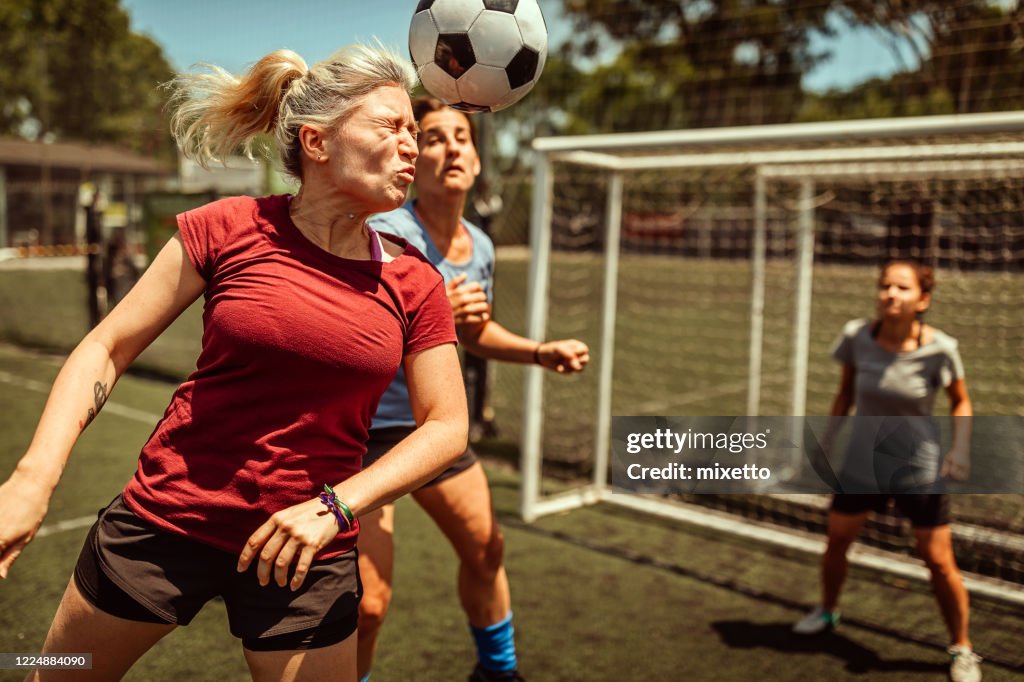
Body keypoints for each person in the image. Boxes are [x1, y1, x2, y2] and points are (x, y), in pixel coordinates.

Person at [0, 45, 468, 682]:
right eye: (391, 126)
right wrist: (32, 481)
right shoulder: (228, 227)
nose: (412, 145)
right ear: (318, 142)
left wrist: (336, 506)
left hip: (308, 553)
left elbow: (447, 427)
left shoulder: (416, 282)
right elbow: (106, 347)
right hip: (164, 522)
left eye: (414, 131)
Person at [358, 96, 590, 682]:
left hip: (435, 427)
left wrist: (539, 351)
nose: (451, 146)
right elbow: (354, 329)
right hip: (362, 432)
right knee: (366, 604)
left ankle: (497, 673)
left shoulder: (480, 247)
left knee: (487, 552)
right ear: (414, 158)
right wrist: (431, 308)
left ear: (478, 160)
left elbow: (476, 332)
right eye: (434, 137)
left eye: (461, 136)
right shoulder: (385, 231)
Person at [792, 260, 980, 682]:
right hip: (861, 464)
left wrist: (961, 449)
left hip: (918, 468)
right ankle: (827, 611)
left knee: (937, 560)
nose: (890, 294)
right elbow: (844, 394)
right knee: (837, 541)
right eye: (884, 286)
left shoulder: (940, 349)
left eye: (901, 287)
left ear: (922, 300)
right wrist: (826, 440)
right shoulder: (857, 336)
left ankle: (962, 648)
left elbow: (961, 402)